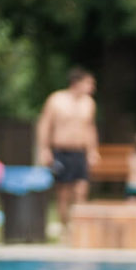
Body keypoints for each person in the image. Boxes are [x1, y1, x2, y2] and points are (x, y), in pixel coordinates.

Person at [35, 66, 99, 232]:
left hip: (80, 152)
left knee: (81, 190)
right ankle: (65, 227)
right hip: (61, 151)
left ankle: (80, 228)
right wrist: (44, 149)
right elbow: (44, 125)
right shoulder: (56, 100)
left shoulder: (89, 103)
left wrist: (92, 150)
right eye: (89, 83)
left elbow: (90, 128)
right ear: (76, 83)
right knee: (63, 193)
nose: (92, 88)